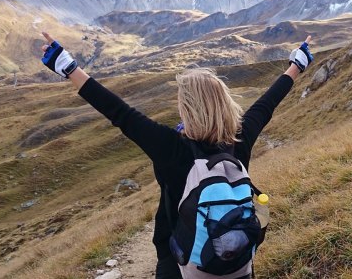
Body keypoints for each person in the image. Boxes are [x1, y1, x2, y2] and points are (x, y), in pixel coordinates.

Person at [38, 32, 313, 278]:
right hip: (234, 257)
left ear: (187, 109)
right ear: (224, 103)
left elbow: (118, 111)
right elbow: (268, 103)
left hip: (178, 260)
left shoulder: (171, 147)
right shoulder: (239, 138)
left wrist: (68, 66)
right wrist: (297, 64)